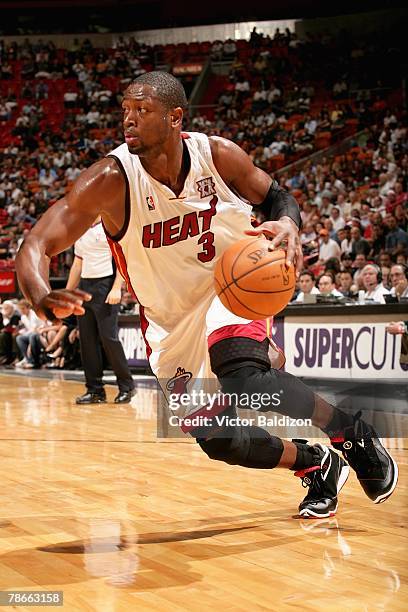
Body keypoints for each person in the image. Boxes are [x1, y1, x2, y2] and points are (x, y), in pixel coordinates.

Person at [16, 71, 397, 518]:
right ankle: (314, 463)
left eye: (142, 110)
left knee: (242, 375)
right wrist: (40, 291)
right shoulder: (110, 178)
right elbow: (37, 244)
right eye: (125, 111)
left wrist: (290, 224)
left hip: (231, 287)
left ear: (175, 117)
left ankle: (349, 430)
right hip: (169, 322)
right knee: (220, 442)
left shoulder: (216, 155)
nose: (129, 120)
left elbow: (277, 197)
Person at [66, 218, 135, 404]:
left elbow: (122, 259)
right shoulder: (79, 228)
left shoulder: (110, 226)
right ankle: (95, 390)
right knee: (86, 341)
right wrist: (67, 294)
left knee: (108, 338)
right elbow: (77, 265)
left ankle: (127, 386)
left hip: (106, 285)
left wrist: (116, 288)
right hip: (84, 287)